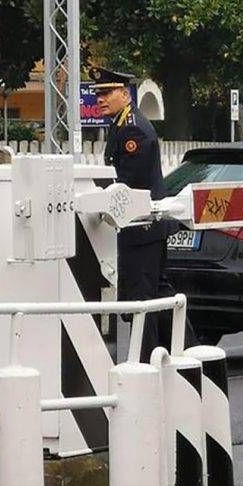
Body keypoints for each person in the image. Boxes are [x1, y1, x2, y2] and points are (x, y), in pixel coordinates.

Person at [94, 68, 195, 361]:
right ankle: (186, 350)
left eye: (107, 93)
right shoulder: (122, 124)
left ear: (125, 94)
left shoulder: (133, 129)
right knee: (158, 293)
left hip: (141, 228)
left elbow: (128, 184)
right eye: (99, 93)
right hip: (142, 228)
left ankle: (147, 360)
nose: (101, 99)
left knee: (143, 299)